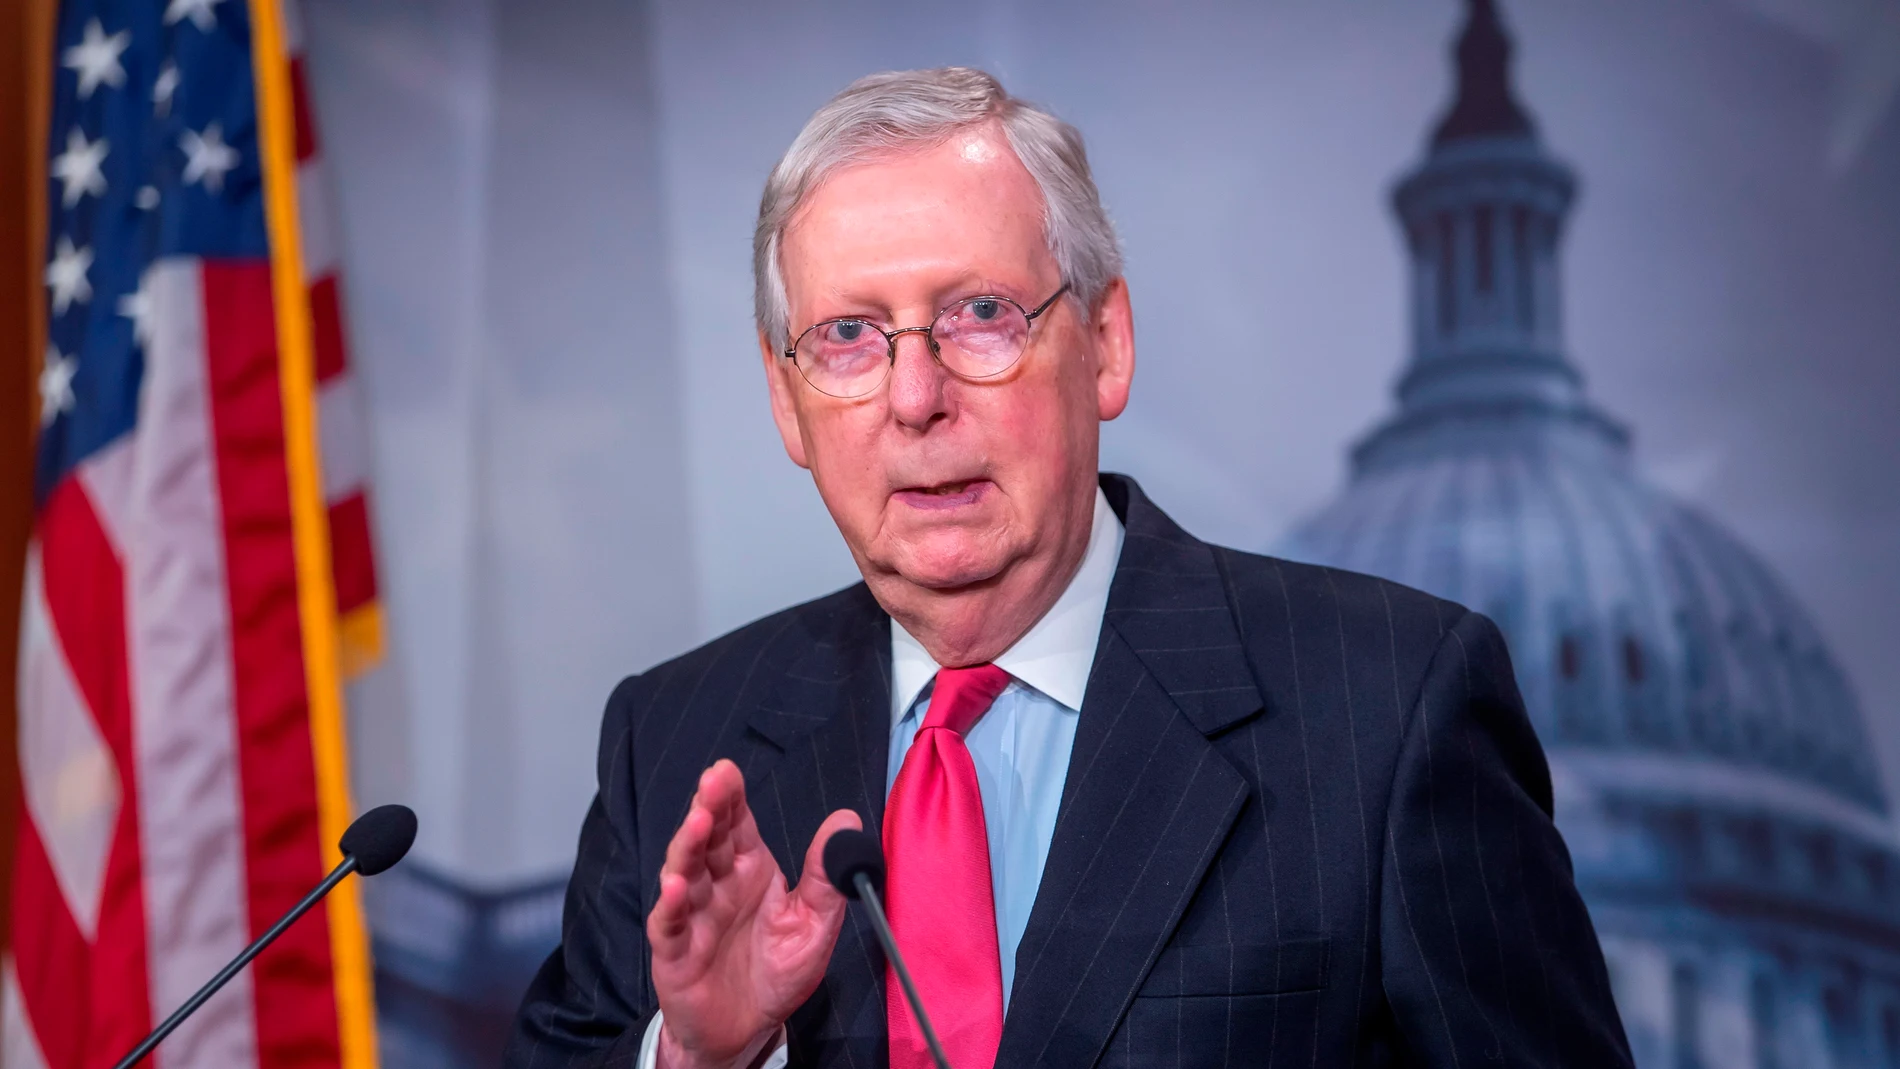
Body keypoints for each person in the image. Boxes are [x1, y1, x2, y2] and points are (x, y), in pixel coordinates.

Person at [505, 67, 1632, 1069]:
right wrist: (703, 1056)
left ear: (1105, 345)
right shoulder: (676, 738)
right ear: (784, 400)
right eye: (848, 337)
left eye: (980, 314)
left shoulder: (1387, 706)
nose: (914, 398)